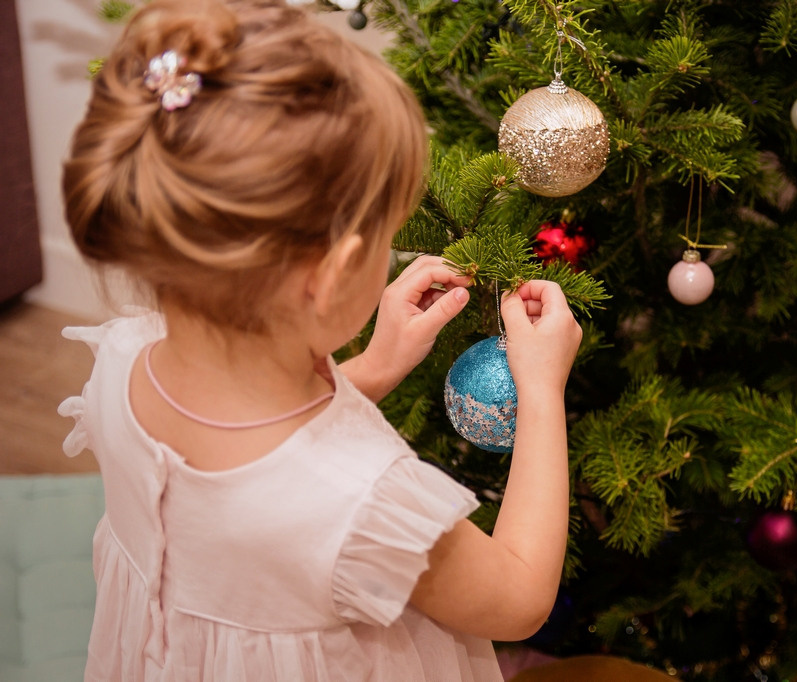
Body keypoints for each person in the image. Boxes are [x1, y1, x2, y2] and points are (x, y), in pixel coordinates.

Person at [58, 0, 582, 679]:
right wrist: (541, 391)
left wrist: (373, 367)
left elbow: (246, 472)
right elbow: (516, 600)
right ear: (333, 276)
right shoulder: (366, 500)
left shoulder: (121, 360)